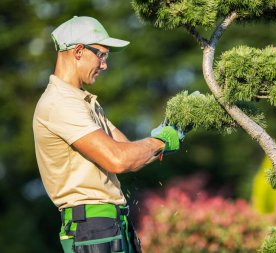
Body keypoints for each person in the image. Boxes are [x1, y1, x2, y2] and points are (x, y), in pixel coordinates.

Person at [33, 16, 183, 253]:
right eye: (101, 55)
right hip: (91, 226)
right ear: (79, 51)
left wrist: (167, 138)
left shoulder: (82, 101)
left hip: (109, 223)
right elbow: (119, 159)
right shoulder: (60, 103)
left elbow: (129, 154)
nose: (104, 65)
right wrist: (159, 140)